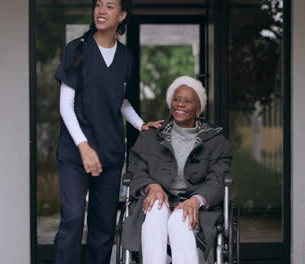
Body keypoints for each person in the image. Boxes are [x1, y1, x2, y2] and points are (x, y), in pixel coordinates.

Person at [53, 0, 162, 263]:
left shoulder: (126, 58)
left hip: (110, 154)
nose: (101, 10)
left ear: (122, 15)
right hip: (74, 153)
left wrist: (139, 124)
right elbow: (65, 105)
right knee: (74, 218)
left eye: (110, 6)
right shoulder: (77, 49)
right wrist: (83, 146)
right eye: (98, 4)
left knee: (103, 227)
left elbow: (119, 100)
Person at [121, 76, 233, 264]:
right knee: (156, 208)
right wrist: (151, 186)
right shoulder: (151, 136)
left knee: (181, 219)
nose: (180, 104)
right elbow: (136, 168)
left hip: (196, 207)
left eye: (187, 101)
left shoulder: (217, 142)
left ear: (199, 109)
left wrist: (196, 200)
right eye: (176, 99)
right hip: (156, 200)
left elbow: (218, 180)